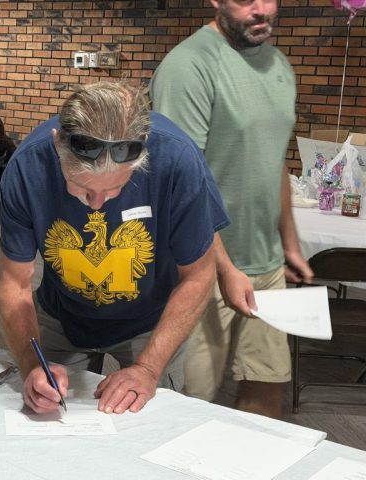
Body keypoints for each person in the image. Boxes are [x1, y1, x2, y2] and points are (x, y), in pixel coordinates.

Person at [0, 81, 230, 415]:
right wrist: (32, 364)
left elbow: (199, 276)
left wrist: (148, 368)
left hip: (152, 319)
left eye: (114, 189)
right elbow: (14, 283)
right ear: (57, 145)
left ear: (143, 152)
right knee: (44, 407)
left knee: (149, 420)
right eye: (81, 187)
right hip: (62, 313)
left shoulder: (178, 159)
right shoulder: (27, 167)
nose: (96, 205)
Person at [150, 0, 314, 418]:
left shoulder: (279, 65)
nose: (260, 9)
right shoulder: (188, 66)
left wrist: (288, 243)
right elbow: (181, 183)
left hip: (266, 265)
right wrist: (225, 269)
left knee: (266, 387)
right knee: (185, 405)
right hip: (199, 267)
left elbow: (274, 160)